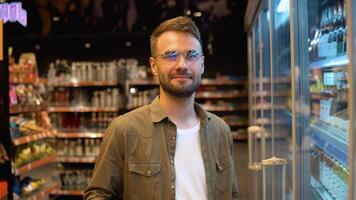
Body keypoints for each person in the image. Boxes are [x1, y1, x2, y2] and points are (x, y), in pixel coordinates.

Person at [84, 16, 239, 200]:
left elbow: (232, 194)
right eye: (171, 55)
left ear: (202, 64)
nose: (182, 65)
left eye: (191, 55)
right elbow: (98, 195)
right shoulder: (124, 131)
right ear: (154, 66)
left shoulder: (221, 131)